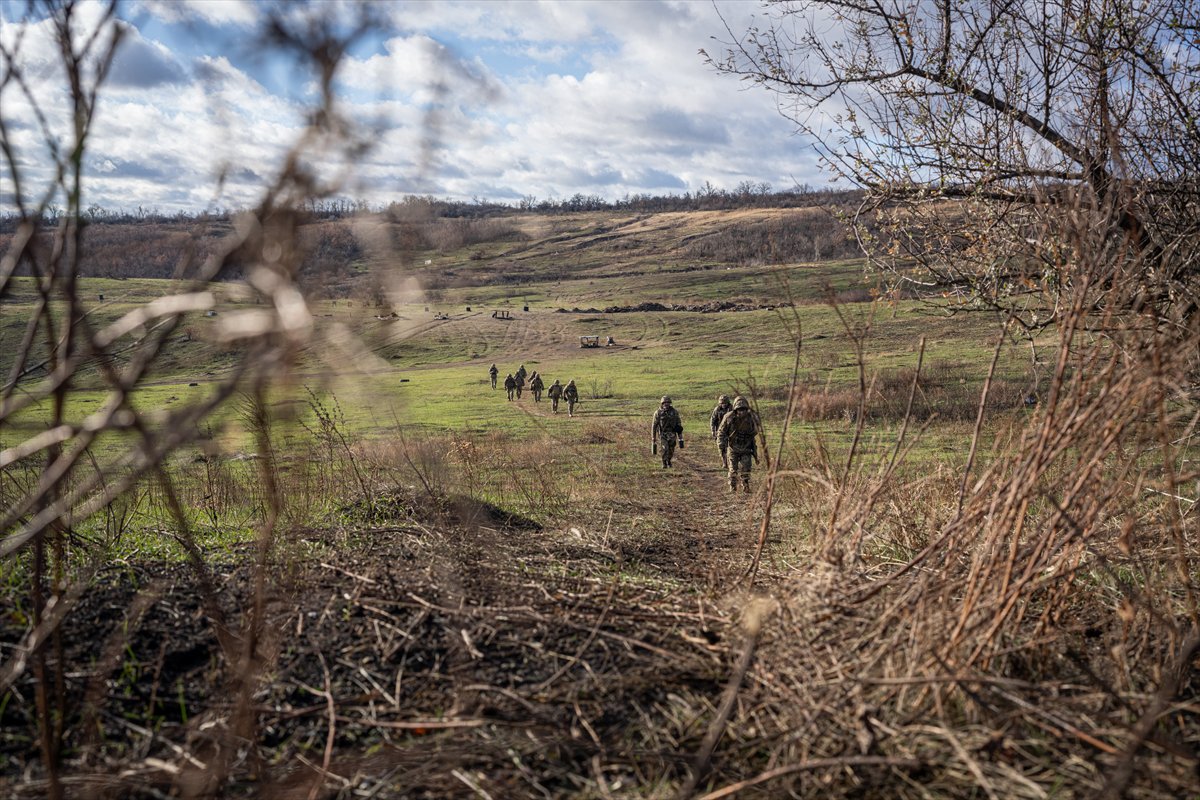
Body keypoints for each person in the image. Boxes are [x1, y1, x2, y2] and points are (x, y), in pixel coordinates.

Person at [717, 396, 760, 492]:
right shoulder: (729, 417)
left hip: (747, 447)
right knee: (733, 469)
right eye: (740, 410)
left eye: (744, 409)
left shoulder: (752, 417)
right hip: (733, 448)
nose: (742, 412)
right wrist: (721, 444)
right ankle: (732, 487)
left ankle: (745, 485)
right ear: (736, 409)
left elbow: (758, 428)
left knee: (746, 468)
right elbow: (721, 431)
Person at [651, 396, 684, 468]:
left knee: (671, 449)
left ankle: (669, 460)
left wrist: (680, 437)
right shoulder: (658, 413)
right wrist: (653, 437)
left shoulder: (674, 412)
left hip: (672, 434)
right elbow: (654, 425)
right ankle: (664, 462)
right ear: (662, 404)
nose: (666, 404)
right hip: (663, 434)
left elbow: (678, 424)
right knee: (664, 448)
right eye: (664, 403)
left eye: (668, 403)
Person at [709, 394, 733, 467]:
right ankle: (724, 462)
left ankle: (731, 463)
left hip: (730, 431)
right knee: (721, 447)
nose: (723, 405)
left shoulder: (732, 409)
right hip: (720, 431)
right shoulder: (717, 409)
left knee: (731, 447)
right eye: (722, 403)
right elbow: (712, 420)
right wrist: (713, 431)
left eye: (725, 403)